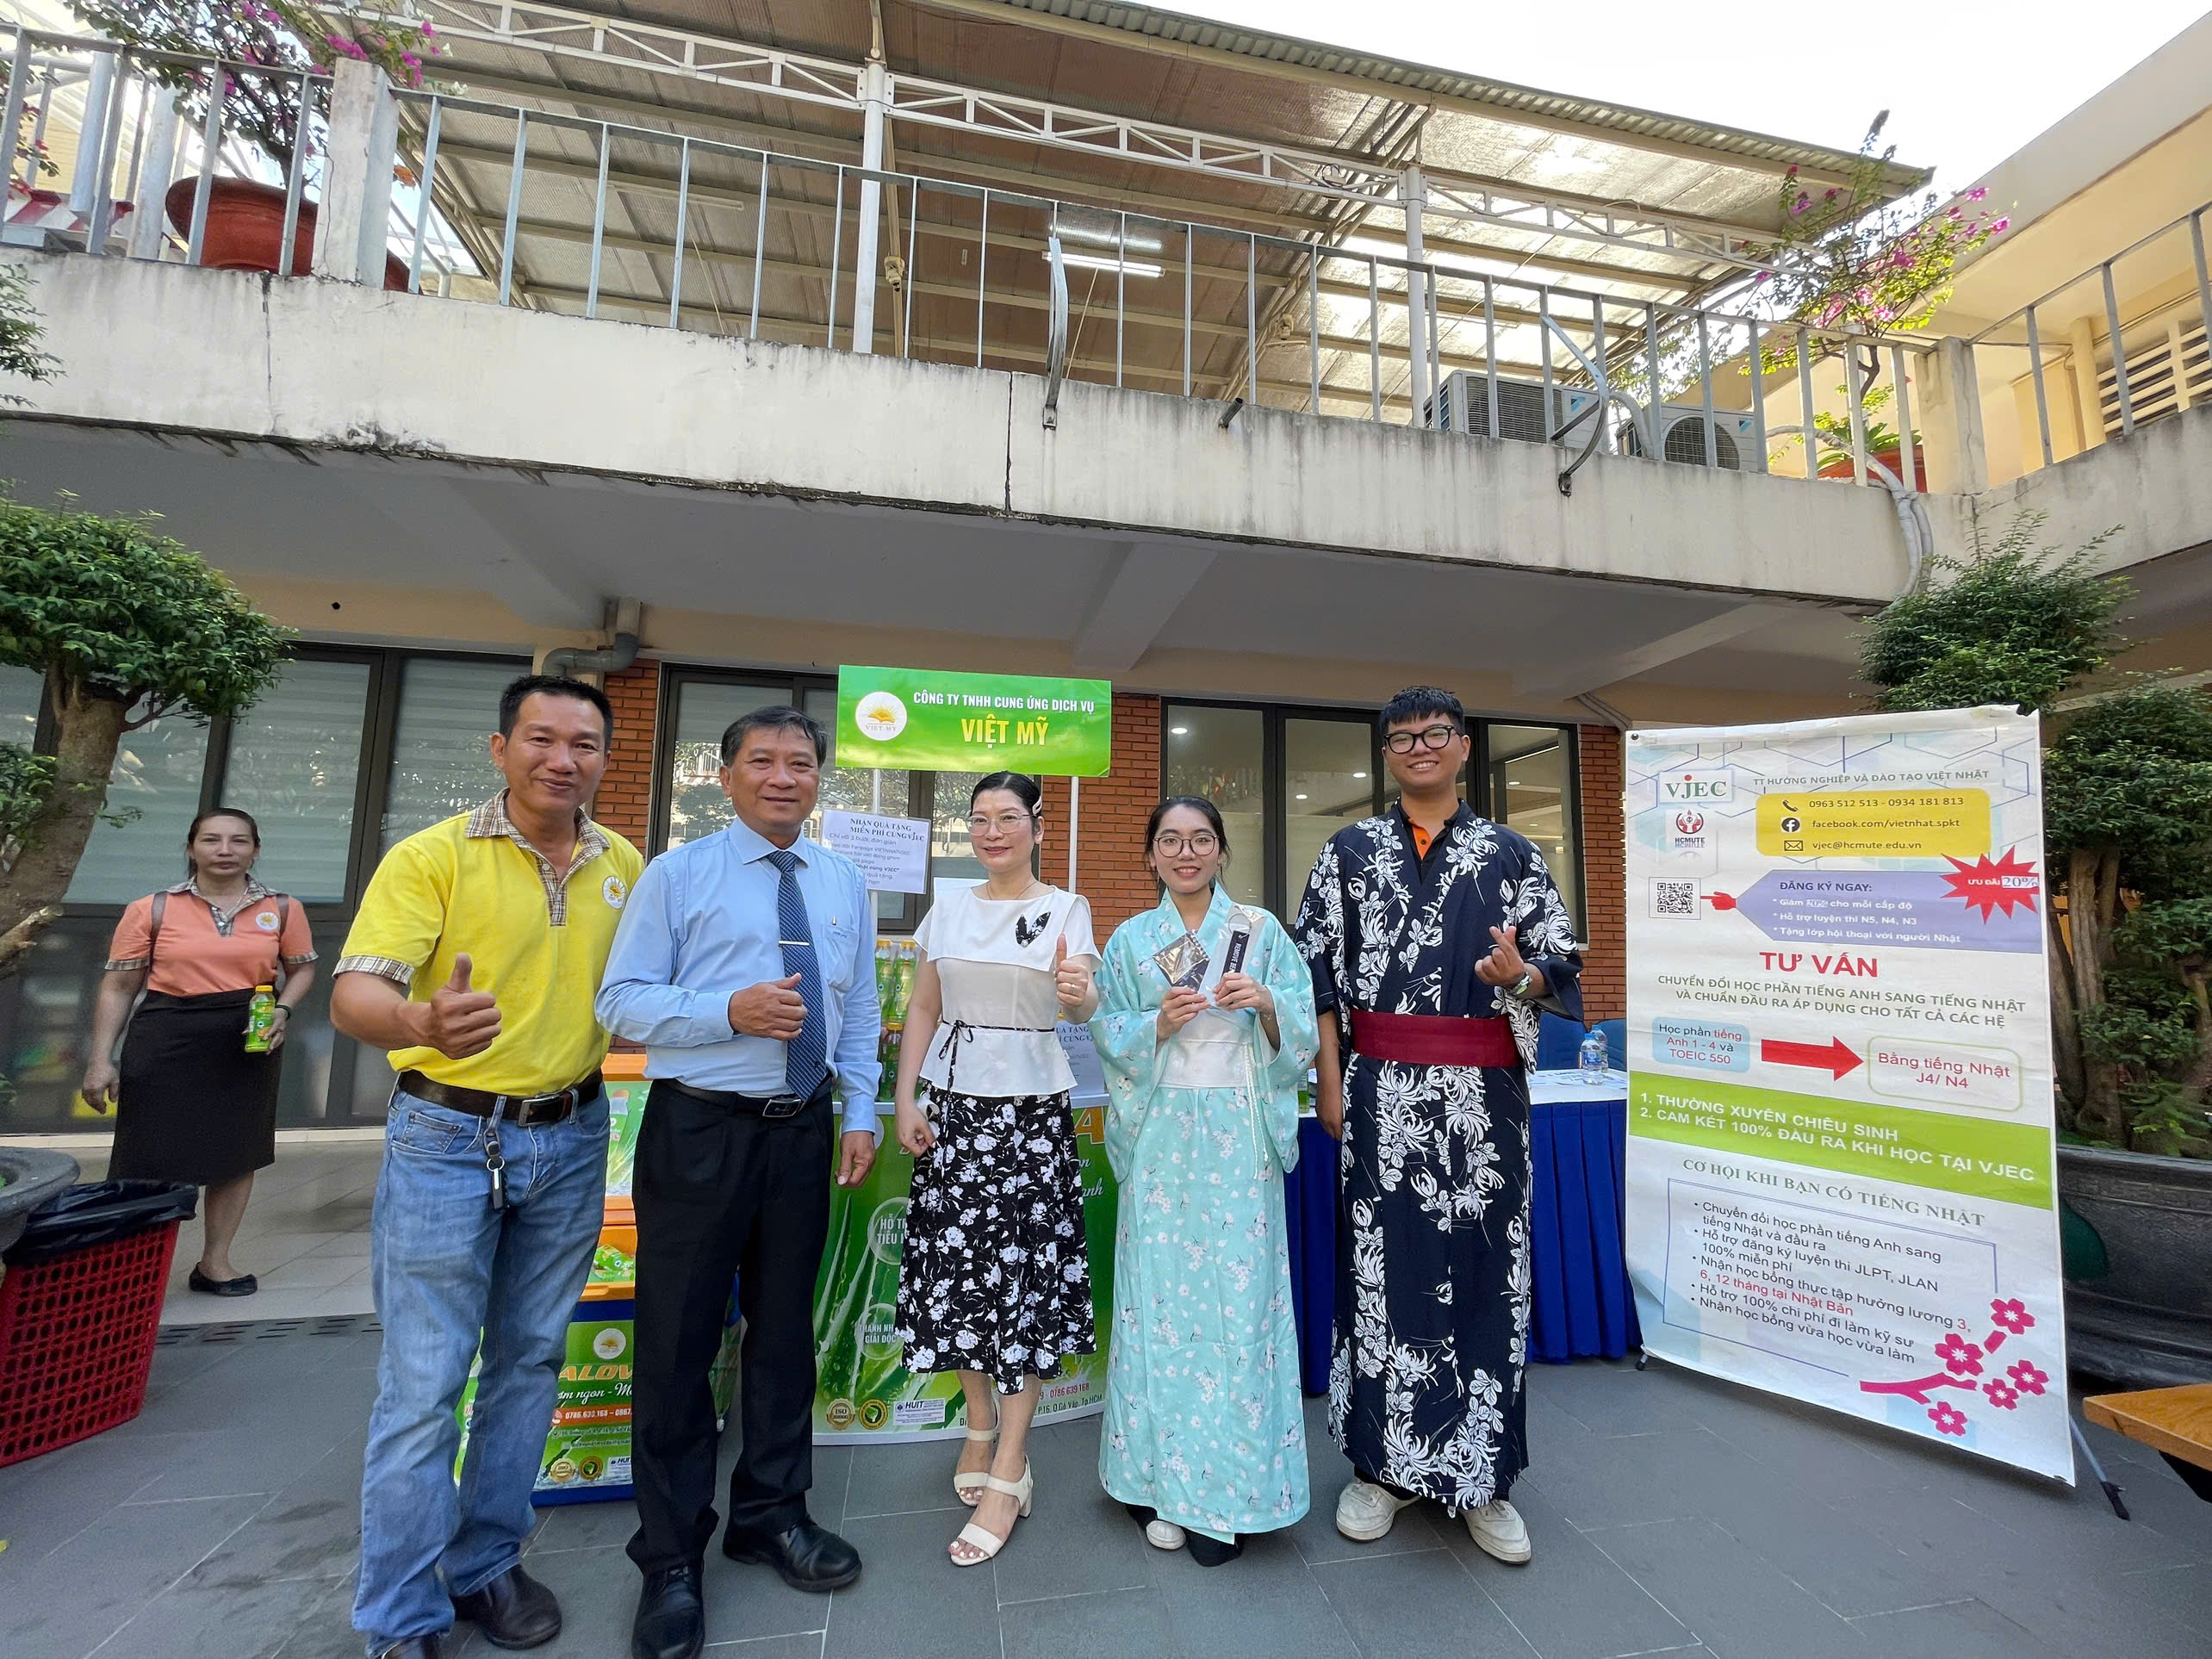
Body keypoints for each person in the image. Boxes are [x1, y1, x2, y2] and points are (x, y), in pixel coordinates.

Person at [329, 674, 643, 1659]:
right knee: (424, 1384)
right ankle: (400, 1613)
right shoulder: (433, 857)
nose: (563, 760)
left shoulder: (624, 863)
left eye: (583, 744)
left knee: (529, 1361)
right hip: (447, 1137)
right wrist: (417, 1019)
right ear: (501, 749)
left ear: (605, 759)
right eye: (541, 739)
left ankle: (486, 1564)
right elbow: (352, 997)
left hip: (573, 1133)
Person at [594, 705, 881, 1659]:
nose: (783, 777)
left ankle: (771, 1513)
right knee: (677, 1342)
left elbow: (858, 1008)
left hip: (801, 1131)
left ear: (819, 779)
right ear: (726, 777)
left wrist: (860, 1110)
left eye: (801, 763)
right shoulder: (677, 874)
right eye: (762, 760)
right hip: (700, 1129)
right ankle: (671, 1558)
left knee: (784, 1333)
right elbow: (621, 1000)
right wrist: (729, 1010)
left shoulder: (841, 880)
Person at [1292, 686, 1582, 1566]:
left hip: (1486, 1104)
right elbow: (1317, 978)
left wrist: (1519, 976)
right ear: (1386, 754)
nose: (1420, 747)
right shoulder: (1347, 851)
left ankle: (1486, 1480)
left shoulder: (1514, 854)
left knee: (1488, 1274)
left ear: (1462, 746)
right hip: (1378, 1092)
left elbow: (1560, 963)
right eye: (1403, 737)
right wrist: (1330, 1085)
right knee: (1381, 1274)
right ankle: (1379, 1470)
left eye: (1436, 734)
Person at [1090, 797, 1318, 1566]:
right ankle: (1155, 1483)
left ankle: (1231, 1493)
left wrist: (1268, 1005)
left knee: (1241, 1307)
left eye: (1200, 840)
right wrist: (1154, 1024)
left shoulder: (1260, 931)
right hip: (1161, 1133)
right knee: (1158, 1307)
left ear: (1222, 850)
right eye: (1170, 841)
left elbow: (1304, 1030)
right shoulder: (1132, 939)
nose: (1185, 853)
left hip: (1238, 1136)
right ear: (1151, 854)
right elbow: (1106, 1032)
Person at [890, 772, 1100, 1568]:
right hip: (952, 1109)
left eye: (1009, 817)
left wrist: (1079, 992)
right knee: (958, 1280)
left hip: (1028, 1117)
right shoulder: (948, 905)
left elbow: (1081, 1005)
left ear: (1037, 827)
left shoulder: (1067, 908)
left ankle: (1011, 1466)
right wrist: (906, 1096)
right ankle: (978, 1424)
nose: (992, 831)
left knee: (1021, 1286)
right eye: (979, 818)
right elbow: (924, 1006)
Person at [80, 808, 317, 1296]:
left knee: (237, 1152)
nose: (225, 850)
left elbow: (303, 969)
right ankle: (134, 1272)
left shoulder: (283, 908)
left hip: (248, 1039)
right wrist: (100, 1059)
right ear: (191, 848)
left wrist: (283, 1010)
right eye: (211, 840)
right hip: (166, 1035)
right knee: (148, 1155)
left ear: (255, 849)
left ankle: (214, 1263)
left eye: (239, 840)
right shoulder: (152, 908)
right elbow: (119, 987)